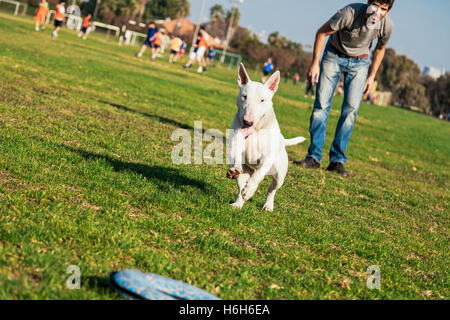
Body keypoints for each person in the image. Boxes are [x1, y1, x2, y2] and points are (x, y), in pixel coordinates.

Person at [294, 0, 394, 177]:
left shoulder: (386, 25)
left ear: (388, 11)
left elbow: (380, 48)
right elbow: (322, 32)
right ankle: (314, 157)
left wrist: (371, 76)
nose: (377, 12)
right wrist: (315, 63)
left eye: (383, 9)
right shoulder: (349, 13)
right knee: (321, 106)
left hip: (360, 63)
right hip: (333, 55)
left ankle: (337, 161)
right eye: (375, 5)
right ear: (368, 2)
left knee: (350, 111)